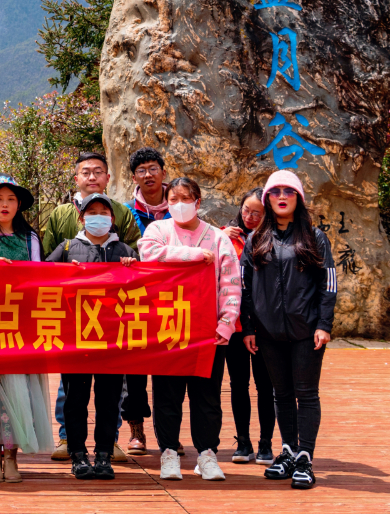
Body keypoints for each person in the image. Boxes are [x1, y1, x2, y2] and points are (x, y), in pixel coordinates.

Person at [138, 177, 240, 482]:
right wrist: (193, 256)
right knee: (167, 394)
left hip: (207, 331)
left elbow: (232, 284)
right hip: (168, 328)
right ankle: (168, 452)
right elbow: (149, 254)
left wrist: (227, 323)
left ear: (198, 202)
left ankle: (207, 454)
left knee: (206, 396)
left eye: (186, 198)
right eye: (173, 199)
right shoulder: (158, 230)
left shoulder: (218, 238)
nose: (179, 204)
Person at [42, 151, 140, 462]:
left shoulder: (123, 219)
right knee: (72, 392)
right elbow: (42, 270)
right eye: (86, 172)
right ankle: (71, 443)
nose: (92, 176)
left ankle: (107, 446)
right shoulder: (62, 226)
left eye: (98, 171)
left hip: (113, 327)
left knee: (111, 393)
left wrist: (131, 264)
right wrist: (62, 270)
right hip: (74, 326)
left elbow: (140, 262)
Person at [242, 170, 336, 490]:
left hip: (306, 331)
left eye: (289, 191)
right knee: (281, 394)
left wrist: (324, 324)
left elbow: (328, 285)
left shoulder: (314, 236)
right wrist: (249, 327)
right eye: (275, 191)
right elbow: (245, 287)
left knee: (306, 393)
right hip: (268, 332)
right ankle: (288, 450)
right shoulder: (256, 239)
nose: (282, 196)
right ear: (267, 199)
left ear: (299, 199)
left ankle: (305, 457)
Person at [0, 175, 52, 484]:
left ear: (19, 205)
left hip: (20, 326)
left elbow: (41, 282)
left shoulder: (30, 240)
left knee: (19, 392)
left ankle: (12, 456)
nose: (5, 205)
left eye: (11, 199)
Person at [120, 147, 171, 454]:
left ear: (163, 172)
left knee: (169, 369)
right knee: (133, 369)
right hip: (135, 299)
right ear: (134, 177)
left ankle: (169, 432)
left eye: (153, 168)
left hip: (171, 298)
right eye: (142, 170)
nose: (148, 175)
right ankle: (136, 429)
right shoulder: (125, 212)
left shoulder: (180, 207)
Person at [222, 187, 274, 465]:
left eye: (257, 212)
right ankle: (243, 441)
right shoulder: (225, 235)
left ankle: (266, 443)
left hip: (264, 325)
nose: (250, 216)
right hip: (235, 324)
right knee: (238, 384)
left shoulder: (274, 239)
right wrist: (220, 238)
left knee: (266, 386)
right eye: (246, 210)